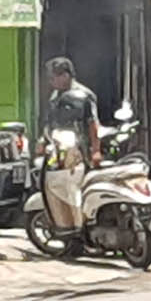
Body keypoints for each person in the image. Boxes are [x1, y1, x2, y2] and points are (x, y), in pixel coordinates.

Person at [41, 57, 101, 232]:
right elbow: (51, 123)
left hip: (82, 151)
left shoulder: (84, 96)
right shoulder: (55, 97)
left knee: (81, 189)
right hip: (60, 151)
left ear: (66, 75)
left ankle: (84, 226)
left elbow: (92, 124)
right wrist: (43, 141)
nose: (52, 82)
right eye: (51, 78)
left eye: (55, 78)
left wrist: (95, 150)